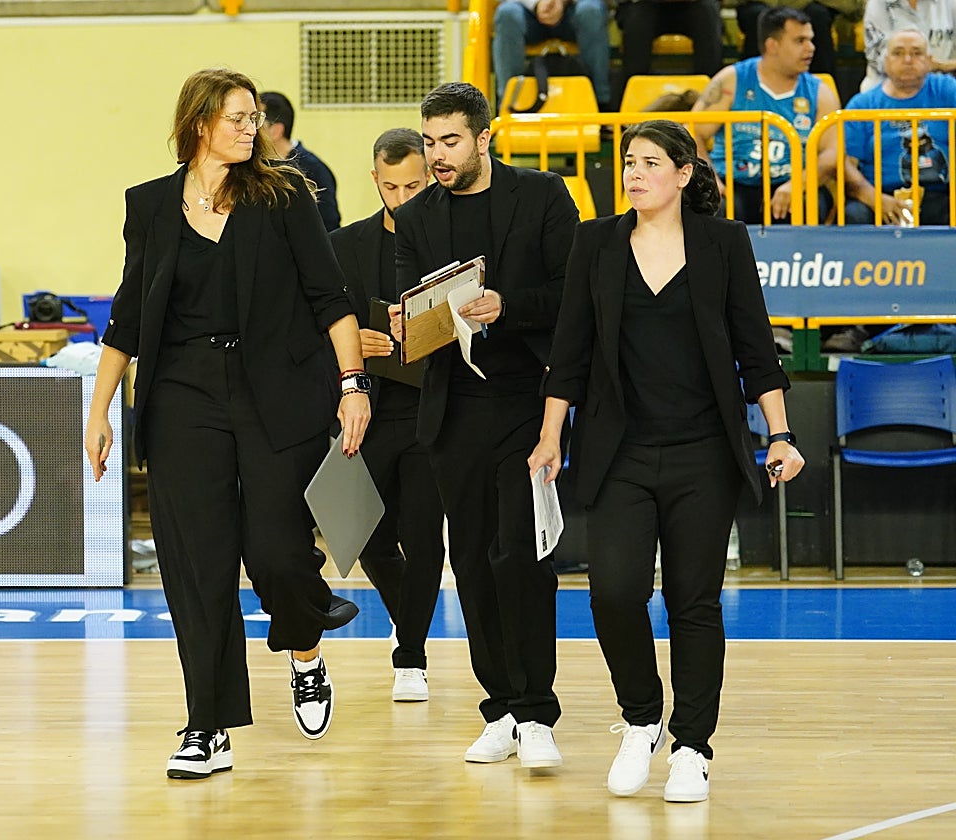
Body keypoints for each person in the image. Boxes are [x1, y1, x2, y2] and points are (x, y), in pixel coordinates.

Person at [84, 68, 371, 782]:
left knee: (276, 553)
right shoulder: (149, 205)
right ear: (199, 123)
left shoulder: (286, 197)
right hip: (183, 393)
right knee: (197, 566)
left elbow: (329, 297)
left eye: (255, 118)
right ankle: (206, 726)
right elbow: (127, 316)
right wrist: (99, 411)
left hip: (275, 390)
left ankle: (304, 645)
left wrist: (353, 383)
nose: (253, 127)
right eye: (239, 117)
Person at [528, 119, 805, 802]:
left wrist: (780, 434)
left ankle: (692, 746)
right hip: (620, 452)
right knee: (614, 593)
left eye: (651, 162)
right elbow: (570, 352)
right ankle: (641, 716)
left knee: (694, 602)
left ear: (684, 174)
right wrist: (550, 435)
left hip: (704, 453)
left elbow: (755, 348)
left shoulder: (723, 243)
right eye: (629, 161)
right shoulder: (595, 242)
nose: (635, 172)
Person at [387, 81, 579, 769]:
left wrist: (508, 306)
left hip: (529, 405)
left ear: (483, 137)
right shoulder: (414, 221)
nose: (437, 155)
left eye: (449, 141)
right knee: (468, 562)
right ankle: (498, 706)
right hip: (453, 412)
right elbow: (414, 319)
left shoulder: (545, 197)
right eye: (429, 141)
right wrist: (409, 327)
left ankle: (538, 713)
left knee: (522, 559)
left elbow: (572, 293)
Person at [328, 128, 445, 703]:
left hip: (432, 411)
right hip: (368, 412)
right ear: (374, 179)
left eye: (413, 185)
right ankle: (411, 623)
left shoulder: (450, 242)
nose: (401, 197)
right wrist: (357, 346)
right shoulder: (344, 246)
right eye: (390, 185)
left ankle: (412, 655)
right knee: (368, 539)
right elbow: (321, 324)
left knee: (426, 538)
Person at [692, 7, 840, 223]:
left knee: (809, 203)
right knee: (713, 205)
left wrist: (798, 183)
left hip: (791, 182)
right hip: (735, 183)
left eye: (811, 40)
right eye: (800, 41)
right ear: (773, 45)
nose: (811, 48)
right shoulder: (732, 80)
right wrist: (710, 180)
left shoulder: (820, 91)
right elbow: (693, 134)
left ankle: (804, 258)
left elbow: (832, 154)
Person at [830, 27, 956, 226]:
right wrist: (874, 198)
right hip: (882, 195)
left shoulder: (948, 90)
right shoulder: (862, 105)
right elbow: (845, 163)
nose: (907, 60)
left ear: (930, 60)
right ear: (886, 61)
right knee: (854, 215)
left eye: (916, 53)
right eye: (898, 53)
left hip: (943, 193)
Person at [491, 0, 613, 111]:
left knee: (591, 11)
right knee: (506, 14)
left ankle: (601, 105)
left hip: (574, 9)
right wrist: (536, 3)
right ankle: (509, 104)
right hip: (527, 11)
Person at [258, 91, 341, 231]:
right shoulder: (258, 165)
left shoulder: (313, 169)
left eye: (257, 123)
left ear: (275, 131)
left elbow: (328, 227)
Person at [736, 0, 863, 76]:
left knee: (817, 15)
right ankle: (749, 85)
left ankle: (821, 88)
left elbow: (852, 7)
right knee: (760, 18)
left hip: (812, 6)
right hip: (761, 5)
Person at [862, 0, 956, 93]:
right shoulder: (878, 3)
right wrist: (924, 65)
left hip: (941, 91)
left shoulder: (950, 3)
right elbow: (878, 58)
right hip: (884, 90)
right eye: (898, 52)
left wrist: (942, 65)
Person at [615, 0, 724, 80]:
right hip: (643, 5)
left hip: (693, 6)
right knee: (637, 20)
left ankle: (710, 90)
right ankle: (634, 89)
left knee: (707, 14)